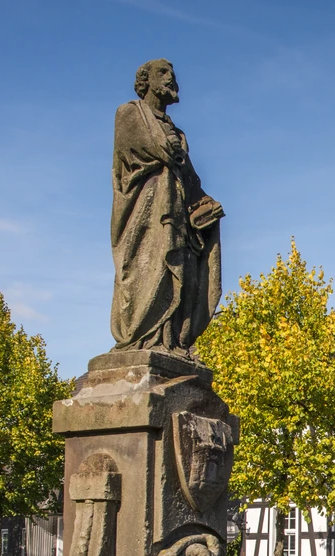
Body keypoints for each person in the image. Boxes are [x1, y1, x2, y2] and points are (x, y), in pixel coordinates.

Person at [110, 59, 224, 354]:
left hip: (176, 216)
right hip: (146, 215)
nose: (172, 78)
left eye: (172, 73)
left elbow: (189, 177)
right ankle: (141, 339)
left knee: (181, 276)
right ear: (145, 81)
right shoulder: (130, 113)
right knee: (150, 270)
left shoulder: (178, 132)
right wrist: (171, 150)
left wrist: (205, 204)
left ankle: (169, 341)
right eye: (163, 73)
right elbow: (147, 149)